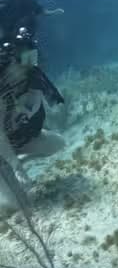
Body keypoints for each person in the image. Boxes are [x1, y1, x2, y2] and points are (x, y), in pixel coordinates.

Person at [0, 26, 66, 189]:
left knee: (58, 143)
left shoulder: (33, 75)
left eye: (33, 56)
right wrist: (16, 166)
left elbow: (51, 103)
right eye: (26, 58)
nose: (31, 63)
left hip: (19, 138)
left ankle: (20, 158)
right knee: (11, 200)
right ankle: (10, 166)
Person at [0, 0, 65, 39]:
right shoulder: (4, 3)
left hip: (25, 39)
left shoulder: (27, 1)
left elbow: (42, 11)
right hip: (9, 39)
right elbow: (43, 11)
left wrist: (54, 12)